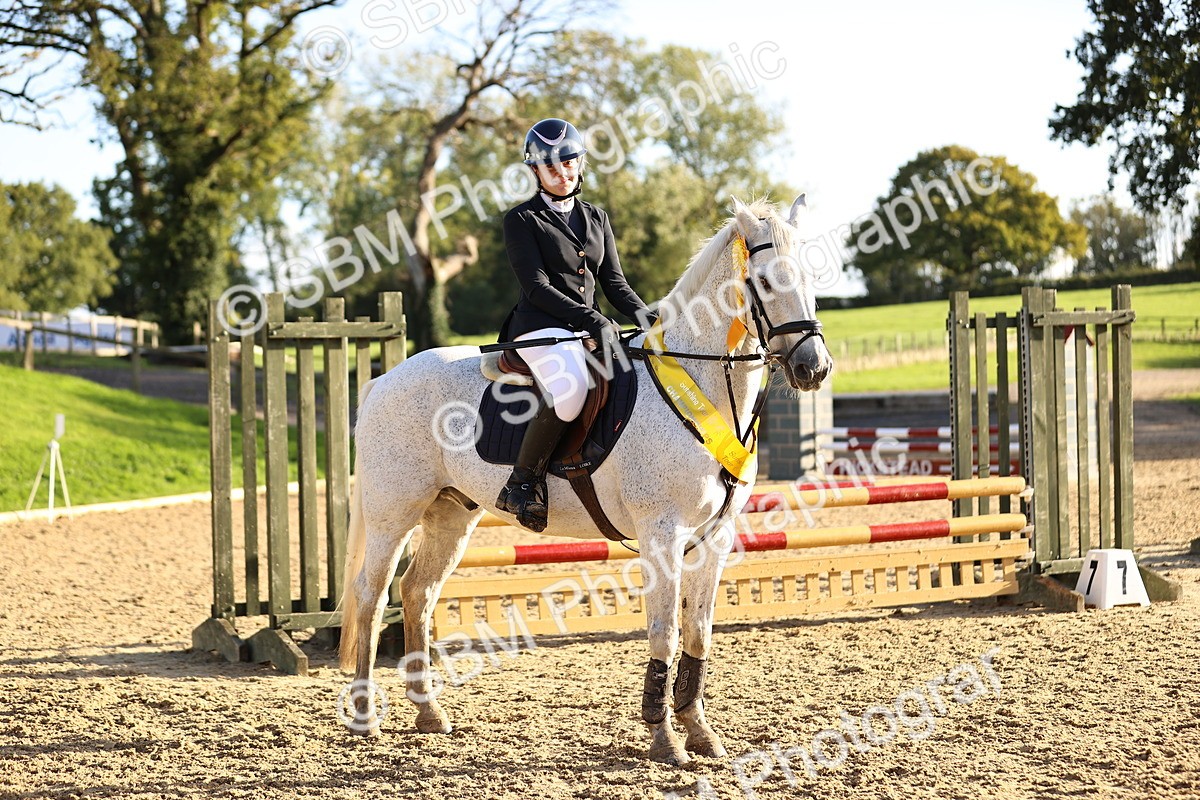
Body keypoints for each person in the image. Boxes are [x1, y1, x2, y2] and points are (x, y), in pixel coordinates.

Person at [495, 118, 655, 532]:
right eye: (549, 165)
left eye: (568, 161)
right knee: (570, 389)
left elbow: (614, 283)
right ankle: (522, 483)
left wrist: (648, 319)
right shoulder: (522, 219)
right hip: (538, 328)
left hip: (585, 328)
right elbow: (536, 286)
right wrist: (594, 320)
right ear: (534, 170)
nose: (561, 172)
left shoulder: (597, 218)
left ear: (581, 162)